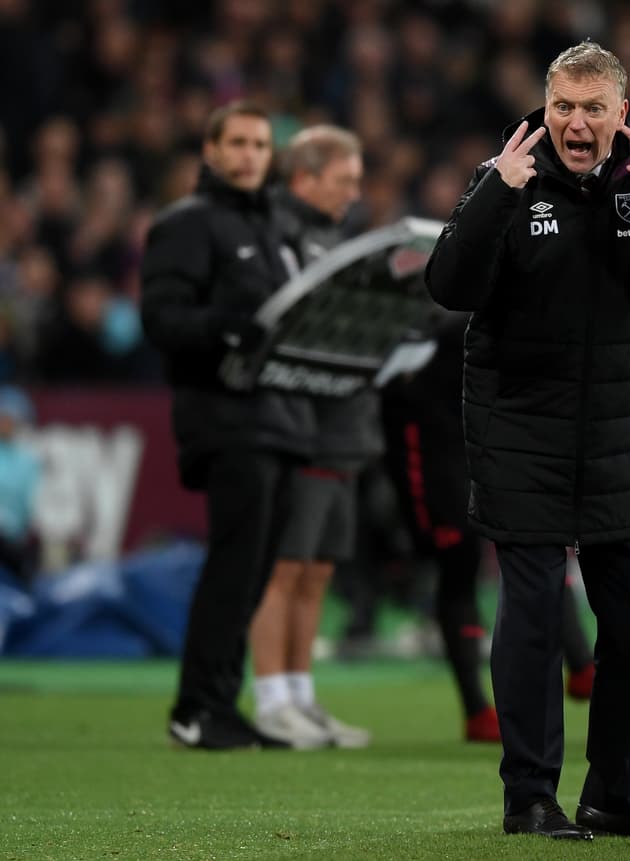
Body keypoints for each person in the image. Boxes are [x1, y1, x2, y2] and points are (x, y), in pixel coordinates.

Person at [425, 41, 630, 841]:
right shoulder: (508, 174)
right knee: (530, 616)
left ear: (621, 114)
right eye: (564, 105)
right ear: (547, 106)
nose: (576, 122)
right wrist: (496, 190)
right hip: (520, 430)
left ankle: (617, 796)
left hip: (618, 436)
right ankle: (530, 797)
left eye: (594, 108)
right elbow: (448, 286)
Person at [141, 101, 315, 750]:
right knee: (233, 566)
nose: (248, 155)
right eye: (237, 142)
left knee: (252, 571)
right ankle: (196, 706)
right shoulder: (185, 225)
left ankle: (219, 702)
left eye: (260, 145)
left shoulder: (277, 225)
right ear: (211, 150)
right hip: (226, 416)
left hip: (279, 418)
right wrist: (226, 325)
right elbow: (161, 320)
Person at [379, 312, 598, 744]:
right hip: (440, 444)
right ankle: (484, 705)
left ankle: (579, 665)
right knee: (463, 561)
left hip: (487, 432)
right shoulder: (433, 314)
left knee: (531, 541)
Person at [246, 125, 378, 750]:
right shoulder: (277, 236)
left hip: (345, 426)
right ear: (304, 177)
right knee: (285, 565)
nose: (354, 193)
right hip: (302, 426)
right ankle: (270, 697)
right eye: (343, 180)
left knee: (317, 568)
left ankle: (301, 694)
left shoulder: (332, 238)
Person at [0, 386, 40, 584]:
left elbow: (28, 506)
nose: (5, 423)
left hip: (12, 545)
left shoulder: (28, 462)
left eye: (9, 418)